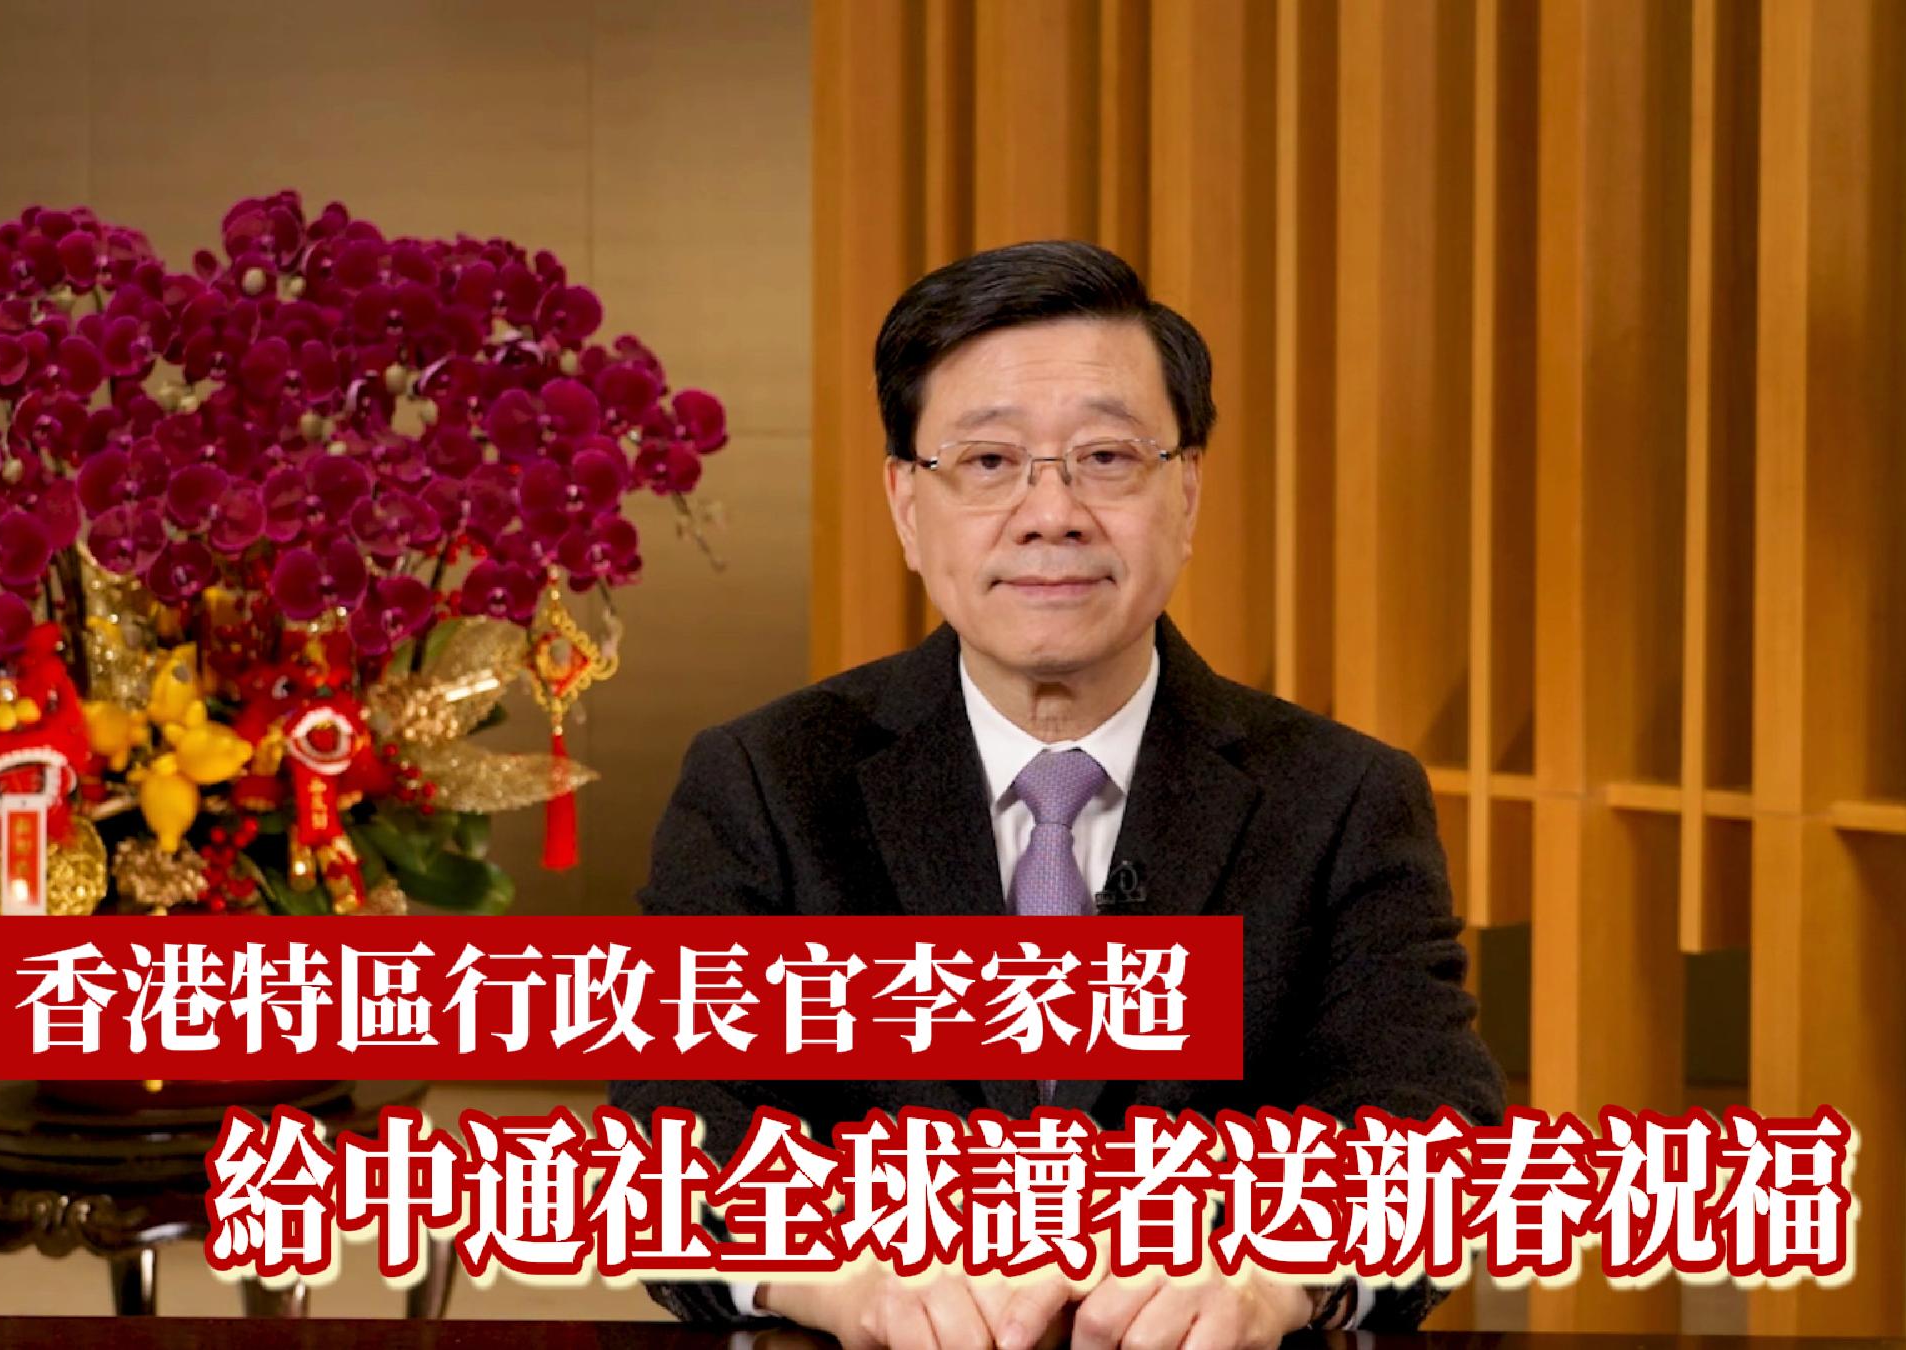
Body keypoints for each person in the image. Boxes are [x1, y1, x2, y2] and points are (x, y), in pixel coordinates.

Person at [610, 239, 1505, 1349]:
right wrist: (841, 1279)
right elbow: (670, 1128)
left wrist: (1274, 1276)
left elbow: (1430, 1133)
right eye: (988, 461)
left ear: (1186, 492)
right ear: (906, 504)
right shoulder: (765, 782)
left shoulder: (1341, 798)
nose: (1052, 514)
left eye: (1106, 458)